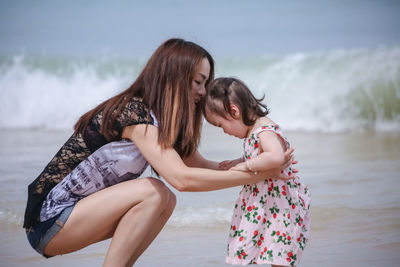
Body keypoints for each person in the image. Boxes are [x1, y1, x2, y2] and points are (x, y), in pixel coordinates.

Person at [23, 38, 295, 267]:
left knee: (165, 200)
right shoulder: (134, 113)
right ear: (174, 76)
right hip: (50, 219)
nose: (203, 92)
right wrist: (253, 173)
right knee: (154, 191)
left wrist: (251, 162)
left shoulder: (161, 121)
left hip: (76, 218)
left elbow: (198, 167)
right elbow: (183, 179)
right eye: (198, 82)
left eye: (206, 82)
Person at [203, 77, 310, 266]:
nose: (224, 131)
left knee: (278, 256)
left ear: (234, 111)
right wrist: (238, 161)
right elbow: (261, 158)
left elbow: (275, 157)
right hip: (263, 204)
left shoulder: (264, 130)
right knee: (259, 252)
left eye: (220, 125)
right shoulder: (254, 130)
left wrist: (245, 166)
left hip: (280, 208)